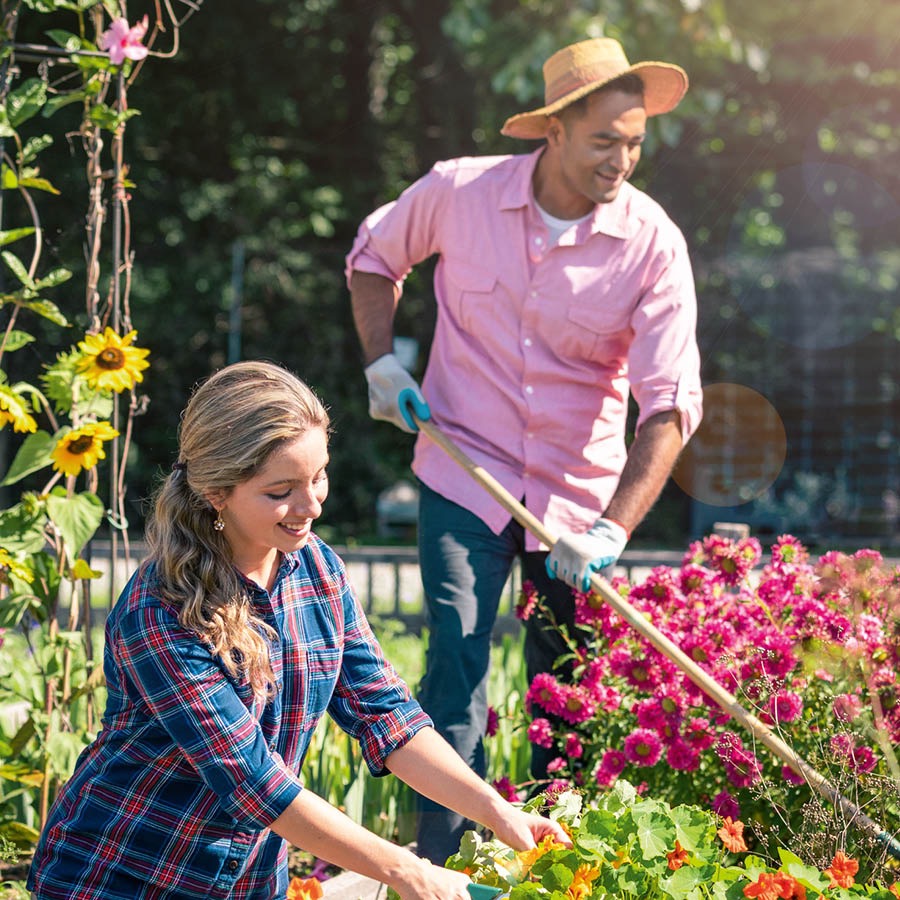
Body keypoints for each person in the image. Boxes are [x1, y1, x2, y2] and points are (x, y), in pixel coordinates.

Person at [346, 36, 704, 864]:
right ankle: (443, 866)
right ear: (555, 131)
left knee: (566, 690)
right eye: (605, 140)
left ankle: (551, 865)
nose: (623, 159)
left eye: (636, 142)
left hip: (578, 504)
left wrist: (612, 529)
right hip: (463, 470)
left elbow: (668, 406)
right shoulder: (459, 192)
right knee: (456, 665)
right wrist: (380, 360)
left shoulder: (652, 244)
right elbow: (373, 258)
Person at [27, 360, 570, 900]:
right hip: (123, 876)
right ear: (217, 492)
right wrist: (408, 870)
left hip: (252, 883)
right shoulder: (163, 611)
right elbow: (257, 786)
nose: (310, 506)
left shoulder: (317, 568)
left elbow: (388, 717)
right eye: (280, 490)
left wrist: (495, 811)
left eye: (319, 476)